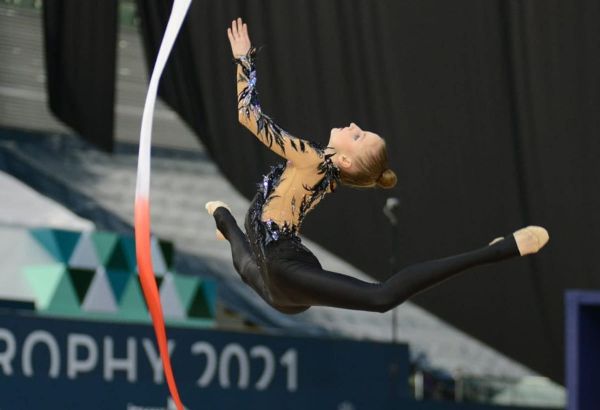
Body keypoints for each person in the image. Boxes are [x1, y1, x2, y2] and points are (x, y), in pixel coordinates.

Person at [205, 17, 549, 314]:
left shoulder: (312, 159)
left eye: (358, 136)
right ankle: (225, 220)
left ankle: (497, 251)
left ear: (344, 159)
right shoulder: (328, 172)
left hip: (281, 266)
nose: (353, 126)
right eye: (361, 131)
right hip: (275, 267)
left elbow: (248, 116)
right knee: (253, 270)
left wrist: (243, 59)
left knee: (379, 298)